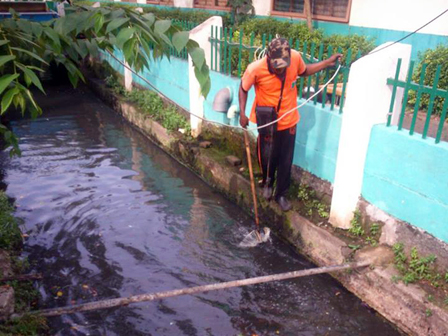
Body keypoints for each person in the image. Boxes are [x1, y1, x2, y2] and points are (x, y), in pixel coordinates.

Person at [239, 37, 341, 212]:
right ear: (268, 59)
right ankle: (267, 182)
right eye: (276, 67)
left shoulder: (294, 58)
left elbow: (304, 70)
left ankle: (281, 194)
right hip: (267, 119)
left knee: (286, 159)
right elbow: (243, 88)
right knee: (266, 155)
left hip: (289, 118)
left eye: (283, 67)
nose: (280, 71)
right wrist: (242, 113)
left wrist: (325, 63)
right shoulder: (255, 69)